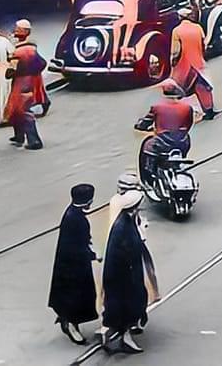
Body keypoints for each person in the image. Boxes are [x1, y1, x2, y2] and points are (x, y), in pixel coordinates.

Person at [48, 183, 99, 345]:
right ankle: (69, 322)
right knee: (76, 295)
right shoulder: (76, 219)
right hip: (73, 267)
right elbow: (76, 246)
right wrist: (93, 255)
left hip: (72, 264)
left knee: (76, 295)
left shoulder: (72, 214)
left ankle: (70, 319)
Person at [101, 190, 150, 355]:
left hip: (123, 276)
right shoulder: (123, 227)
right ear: (134, 207)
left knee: (119, 308)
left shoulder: (125, 221)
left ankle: (111, 335)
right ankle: (124, 338)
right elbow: (128, 252)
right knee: (127, 308)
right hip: (124, 277)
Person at [134, 80, 194, 184]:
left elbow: (145, 123)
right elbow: (189, 124)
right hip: (183, 142)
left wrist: (140, 126)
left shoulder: (157, 107)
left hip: (162, 143)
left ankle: (149, 176)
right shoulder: (187, 108)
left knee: (147, 149)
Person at [6, 19, 47, 150]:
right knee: (17, 110)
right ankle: (19, 136)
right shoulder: (32, 48)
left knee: (20, 110)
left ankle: (33, 140)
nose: (15, 30)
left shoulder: (17, 52)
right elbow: (42, 63)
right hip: (30, 81)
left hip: (20, 83)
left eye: (17, 28)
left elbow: (10, 71)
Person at [169, 7, 215, 119]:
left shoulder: (177, 31)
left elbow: (176, 51)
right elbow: (204, 44)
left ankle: (189, 112)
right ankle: (209, 109)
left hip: (186, 66)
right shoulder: (197, 27)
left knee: (183, 89)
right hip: (199, 63)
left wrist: (173, 62)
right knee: (204, 87)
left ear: (180, 18)